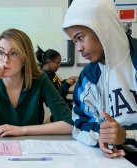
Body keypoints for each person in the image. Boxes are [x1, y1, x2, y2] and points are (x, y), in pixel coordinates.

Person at [62, 0, 137, 165]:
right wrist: (101, 134)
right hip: (110, 161)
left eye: (81, 37)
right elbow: (80, 123)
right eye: (75, 42)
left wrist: (126, 135)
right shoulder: (88, 77)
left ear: (103, 28)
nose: (79, 48)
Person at [0, 28, 73, 137]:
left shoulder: (40, 80)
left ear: (25, 58)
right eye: (1, 52)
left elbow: (70, 123)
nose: (5, 60)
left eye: (14, 53)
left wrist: (23, 130)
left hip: (32, 147)